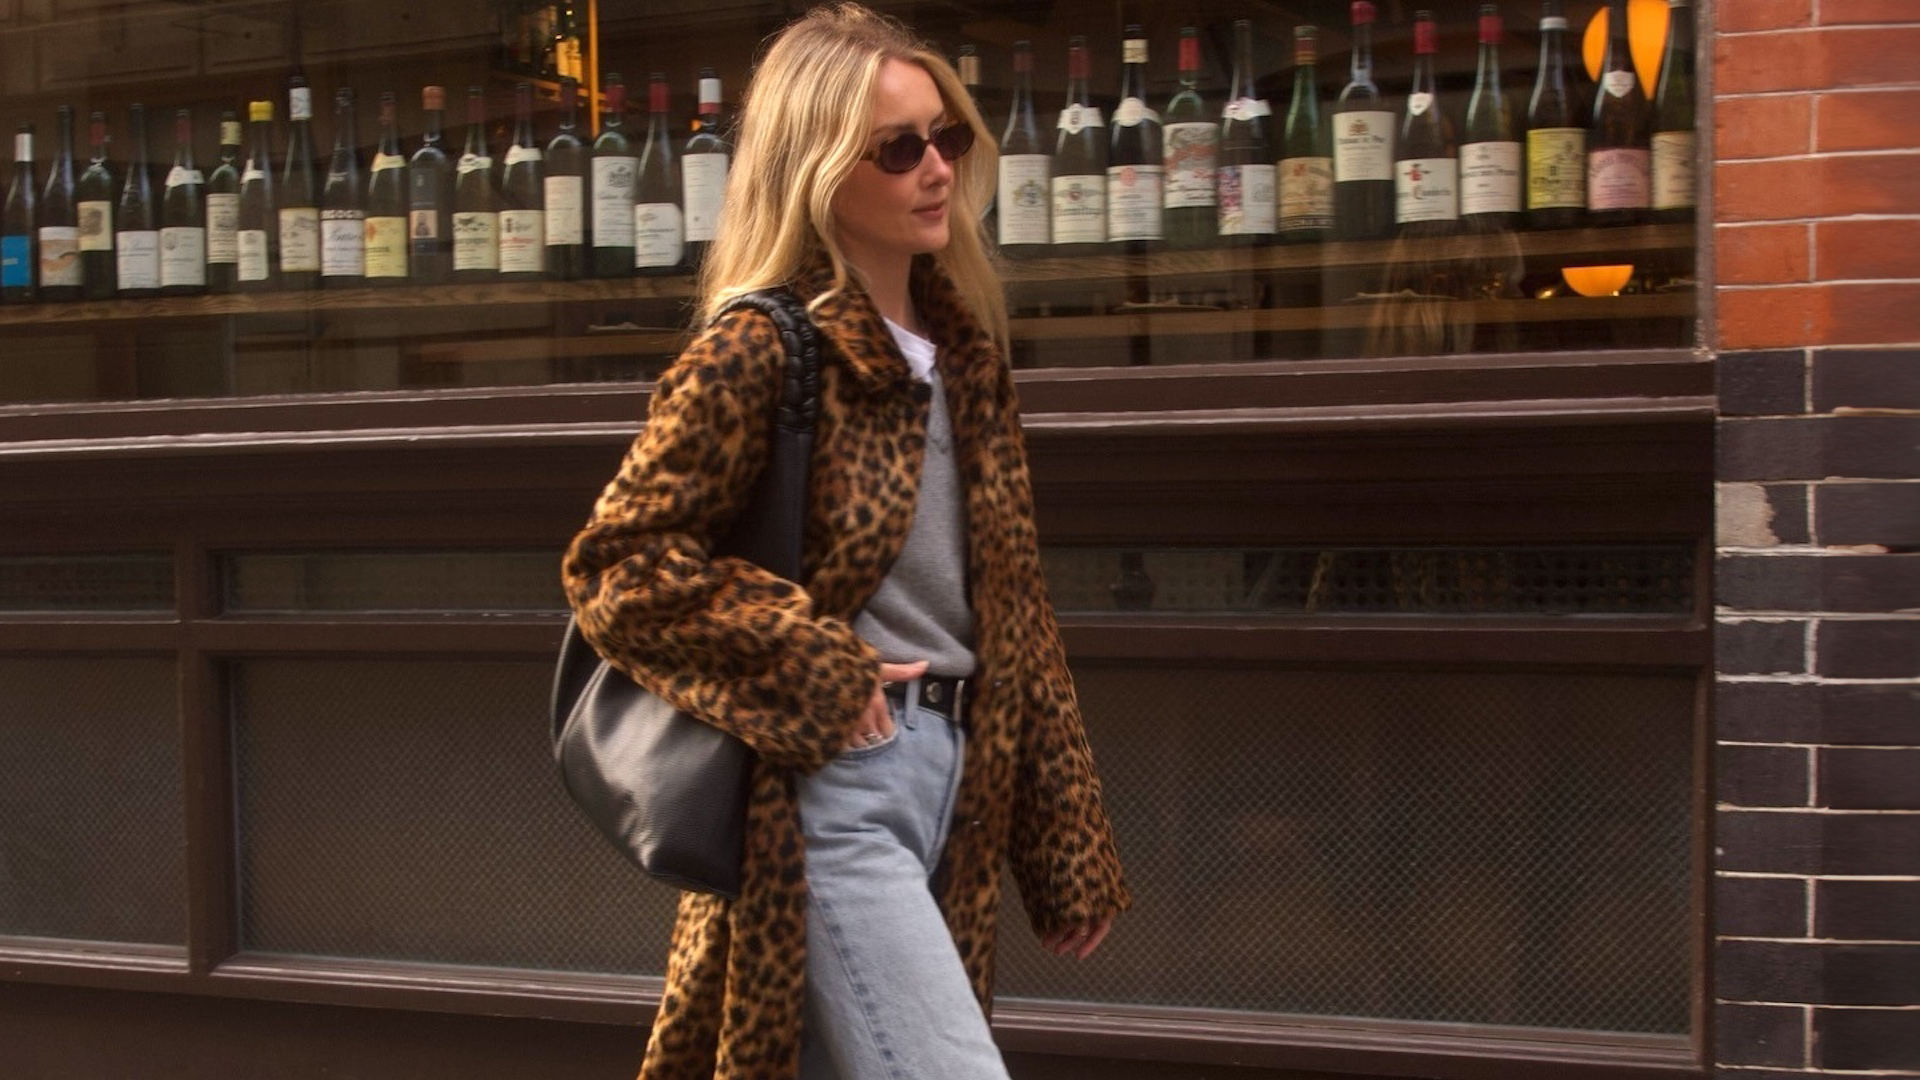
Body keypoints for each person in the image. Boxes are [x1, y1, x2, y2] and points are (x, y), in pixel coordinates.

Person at [561, 5, 1130, 1078]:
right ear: (818, 169)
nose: (936, 170)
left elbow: (1013, 612)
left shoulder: (964, 356)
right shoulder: (760, 349)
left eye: (947, 139)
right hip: (837, 783)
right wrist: (810, 660)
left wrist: (1062, 843)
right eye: (898, 147)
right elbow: (616, 565)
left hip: (958, 783)